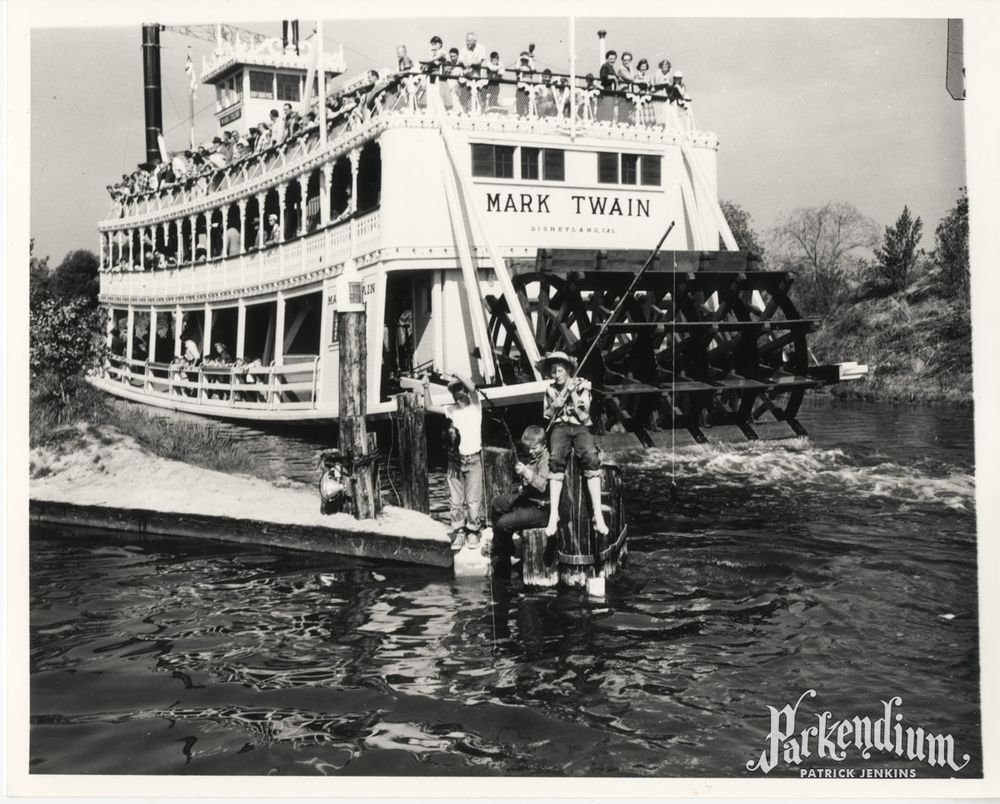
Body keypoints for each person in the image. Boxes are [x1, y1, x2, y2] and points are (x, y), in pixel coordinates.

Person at [538, 351, 609, 537]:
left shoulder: (582, 386)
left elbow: (584, 415)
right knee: (555, 460)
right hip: (560, 427)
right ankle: (554, 515)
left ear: (568, 370)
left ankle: (598, 515)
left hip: (580, 427)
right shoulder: (550, 390)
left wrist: (572, 394)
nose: (556, 374)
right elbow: (547, 415)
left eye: (560, 370)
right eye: (553, 371)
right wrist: (557, 402)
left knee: (590, 457)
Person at [422, 372, 483, 549]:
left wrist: (458, 375)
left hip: (473, 461)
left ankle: (473, 531)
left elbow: (472, 389)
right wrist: (426, 387)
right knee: (455, 501)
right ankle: (459, 532)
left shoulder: (475, 406)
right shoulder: (451, 410)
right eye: (455, 396)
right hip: (454, 461)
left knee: (473, 501)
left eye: (461, 395)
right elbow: (429, 406)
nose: (458, 399)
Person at [487, 425, 551, 583]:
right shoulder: (535, 457)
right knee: (496, 503)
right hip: (528, 499)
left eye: (534, 448)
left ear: (543, 444)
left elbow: (543, 485)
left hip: (541, 509)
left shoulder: (547, 459)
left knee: (503, 523)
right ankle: (503, 548)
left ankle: (502, 554)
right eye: (528, 449)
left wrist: (527, 473)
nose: (530, 452)